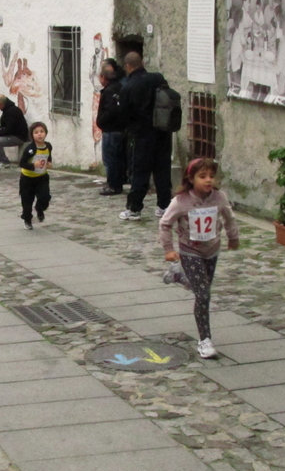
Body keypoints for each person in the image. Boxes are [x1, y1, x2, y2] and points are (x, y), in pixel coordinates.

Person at [159, 158, 239, 359]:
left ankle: (178, 276)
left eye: (211, 176)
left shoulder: (219, 197)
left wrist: (233, 237)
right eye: (202, 176)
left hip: (212, 250)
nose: (208, 180)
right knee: (203, 295)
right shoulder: (181, 201)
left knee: (202, 289)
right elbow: (165, 223)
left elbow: (229, 218)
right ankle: (205, 340)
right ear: (191, 178)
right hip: (190, 251)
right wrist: (169, 249)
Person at [117, 52, 173, 221]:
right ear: (142, 62)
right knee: (162, 170)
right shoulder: (157, 78)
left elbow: (124, 114)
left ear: (128, 66)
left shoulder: (128, 86)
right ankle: (164, 206)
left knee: (140, 171)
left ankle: (135, 209)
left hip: (141, 134)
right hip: (162, 131)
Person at [96, 61, 126, 196]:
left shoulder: (110, 91)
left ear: (103, 77)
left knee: (111, 159)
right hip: (119, 129)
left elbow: (111, 110)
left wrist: (101, 121)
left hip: (111, 130)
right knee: (116, 158)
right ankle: (115, 182)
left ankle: (114, 184)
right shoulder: (120, 87)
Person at [18, 122, 53, 230]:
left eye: (42, 132)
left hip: (42, 177)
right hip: (27, 178)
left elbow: (48, 157)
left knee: (45, 197)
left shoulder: (48, 146)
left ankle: (39, 209)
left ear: (45, 133)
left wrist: (49, 163)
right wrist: (33, 165)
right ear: (32, 135)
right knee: (27, 201)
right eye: (36, 132)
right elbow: (21, 163)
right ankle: (27, 219)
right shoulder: (30, 149)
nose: (39, 134)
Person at [0, 94, 28, 169]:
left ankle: (5, 162)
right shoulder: (6, 110)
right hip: (11, 135)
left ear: (1, 104)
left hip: (18, 137)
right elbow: (4, 126)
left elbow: (9, 129)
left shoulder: (13, 111)